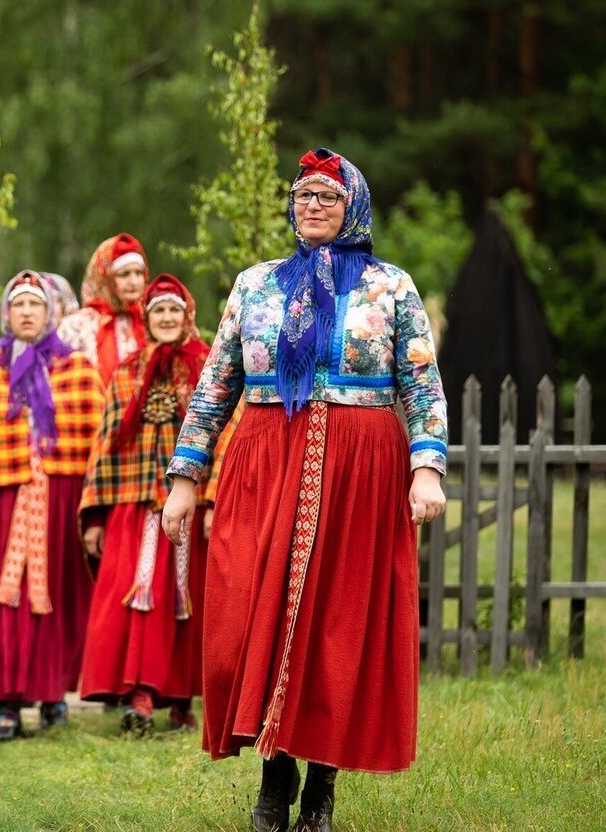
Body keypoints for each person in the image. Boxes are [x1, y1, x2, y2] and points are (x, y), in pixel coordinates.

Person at [162, 148, 448, 832]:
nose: (312, 205)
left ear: (354, 206)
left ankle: (318, 789)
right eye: (302, 195)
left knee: (336, 625)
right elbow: (215, 385)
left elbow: (421, 382)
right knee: (244, 614)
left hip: (361, 474)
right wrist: (183, 478)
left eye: (327, 195)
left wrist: (427, 466)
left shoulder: (391, 287)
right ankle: (272, 773)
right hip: (264, 464)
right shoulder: (255, 285)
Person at [0, 270, 105, 742]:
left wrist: (95, 512)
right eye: (18, 304)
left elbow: (96, 444)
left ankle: (53, 695)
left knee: (58, 603)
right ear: (6, 314)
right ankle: (6, 705)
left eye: (35, 304)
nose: (27, 312)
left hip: (61, 502)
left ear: (51, 312)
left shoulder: (77, 369)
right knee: (1, 607)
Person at [77, 274, 210, 736]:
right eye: (159, 312)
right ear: (147, 319)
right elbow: (107, 444)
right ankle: (140, 696)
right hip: (135, 506)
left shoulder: (207, 367)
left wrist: (209, 498)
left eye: (175, 310)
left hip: (190, 504)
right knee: (138, 597)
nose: (168, 318)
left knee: (187, 597)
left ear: (187, 314)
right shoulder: (128, 370)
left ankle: (182, 696)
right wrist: (95, 515)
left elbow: (224, 431)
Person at [57, 233, 149, 385]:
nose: (134, 281)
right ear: (105, 277)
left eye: (139, 273)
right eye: (124, 274)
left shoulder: (151, 321)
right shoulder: (77, 325)